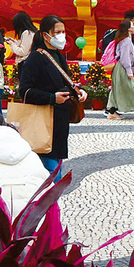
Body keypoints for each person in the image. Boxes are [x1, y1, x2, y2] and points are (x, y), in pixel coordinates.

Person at [17, 15, 87, 180]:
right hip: (43, 122)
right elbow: (25, 91)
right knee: (52, 172)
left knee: (56, 163)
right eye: (57, 32)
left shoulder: (59, 56)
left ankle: (51, 202)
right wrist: (51, 98)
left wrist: (80, 91)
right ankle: (50, 201)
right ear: (44, 34)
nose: (61, 35)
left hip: (60, 122)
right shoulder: (36, 58)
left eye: (63, 32)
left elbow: (65, 82)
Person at [103, 19, 134, 121]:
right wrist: (129, 72)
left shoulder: (121, 39)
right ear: (128, 28)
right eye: (132, 25)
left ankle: (112, 111)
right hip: (123, 68)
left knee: (116, 89)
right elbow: (125, 58)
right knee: (132, 88)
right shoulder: (126, 41)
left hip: (119, 68)